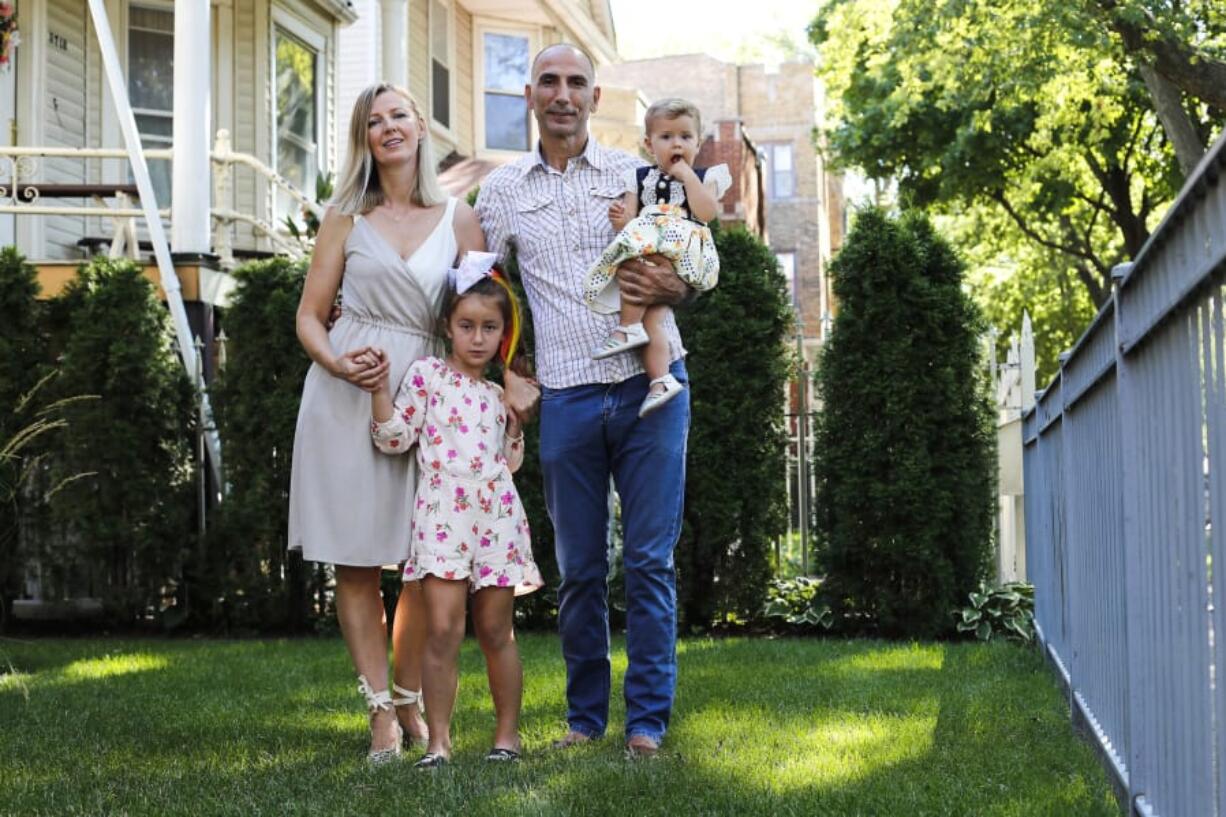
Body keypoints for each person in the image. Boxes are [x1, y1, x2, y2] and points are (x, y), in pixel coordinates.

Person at [476, 43, 701, 758]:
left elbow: (694, 258)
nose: (564, 94)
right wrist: (508, 371)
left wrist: (679, 286)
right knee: (577, 568)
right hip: (569, 395)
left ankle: (647, 722)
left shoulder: (637, 172)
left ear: (595, 98)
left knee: (649, 560)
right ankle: (584, 716)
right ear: (530, 96)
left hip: (650, 388)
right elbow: (483, 298)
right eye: (550, 81)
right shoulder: (502, 192)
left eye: (577, 83)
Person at [288, 82, 484, 764]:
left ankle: (408, 697)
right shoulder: (345, 215)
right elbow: (310, 316)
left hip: (430, 406)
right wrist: (339, 365)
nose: (388, 127)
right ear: (364, 138)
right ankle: (381, 717)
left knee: (425, 567)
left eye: (398, 114)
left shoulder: (460, 219)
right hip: (348, 398)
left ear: (421, 126)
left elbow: (481, 319)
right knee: (358, 562)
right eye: (374, 121)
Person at [369, 256, 543, 768]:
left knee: (495, 630)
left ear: (502, 334)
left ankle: (506, 738)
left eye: (490, 328)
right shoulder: (427, 376)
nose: (477, 338)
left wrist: (517, 419)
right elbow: (394, 438)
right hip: (444, 516)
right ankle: (438, 742)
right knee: (443, 628)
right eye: (466, 325)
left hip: (496, 518)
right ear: (447, 326)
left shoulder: (498, 392)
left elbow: (510, 462)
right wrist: (379, 392)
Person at [584, 98, 729, 416]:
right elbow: (631, 224)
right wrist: (620, 219)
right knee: (651, 320)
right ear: (650, 145)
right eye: (666, 137)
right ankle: (661, 379)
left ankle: (626, 326)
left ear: (697, 143)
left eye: (685, 136)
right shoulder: (639, 178)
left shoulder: (704, 177)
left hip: (683, 249)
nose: (676, 143)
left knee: (643, 308)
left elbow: (706, 214)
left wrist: (687, 176)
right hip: (650, 245)